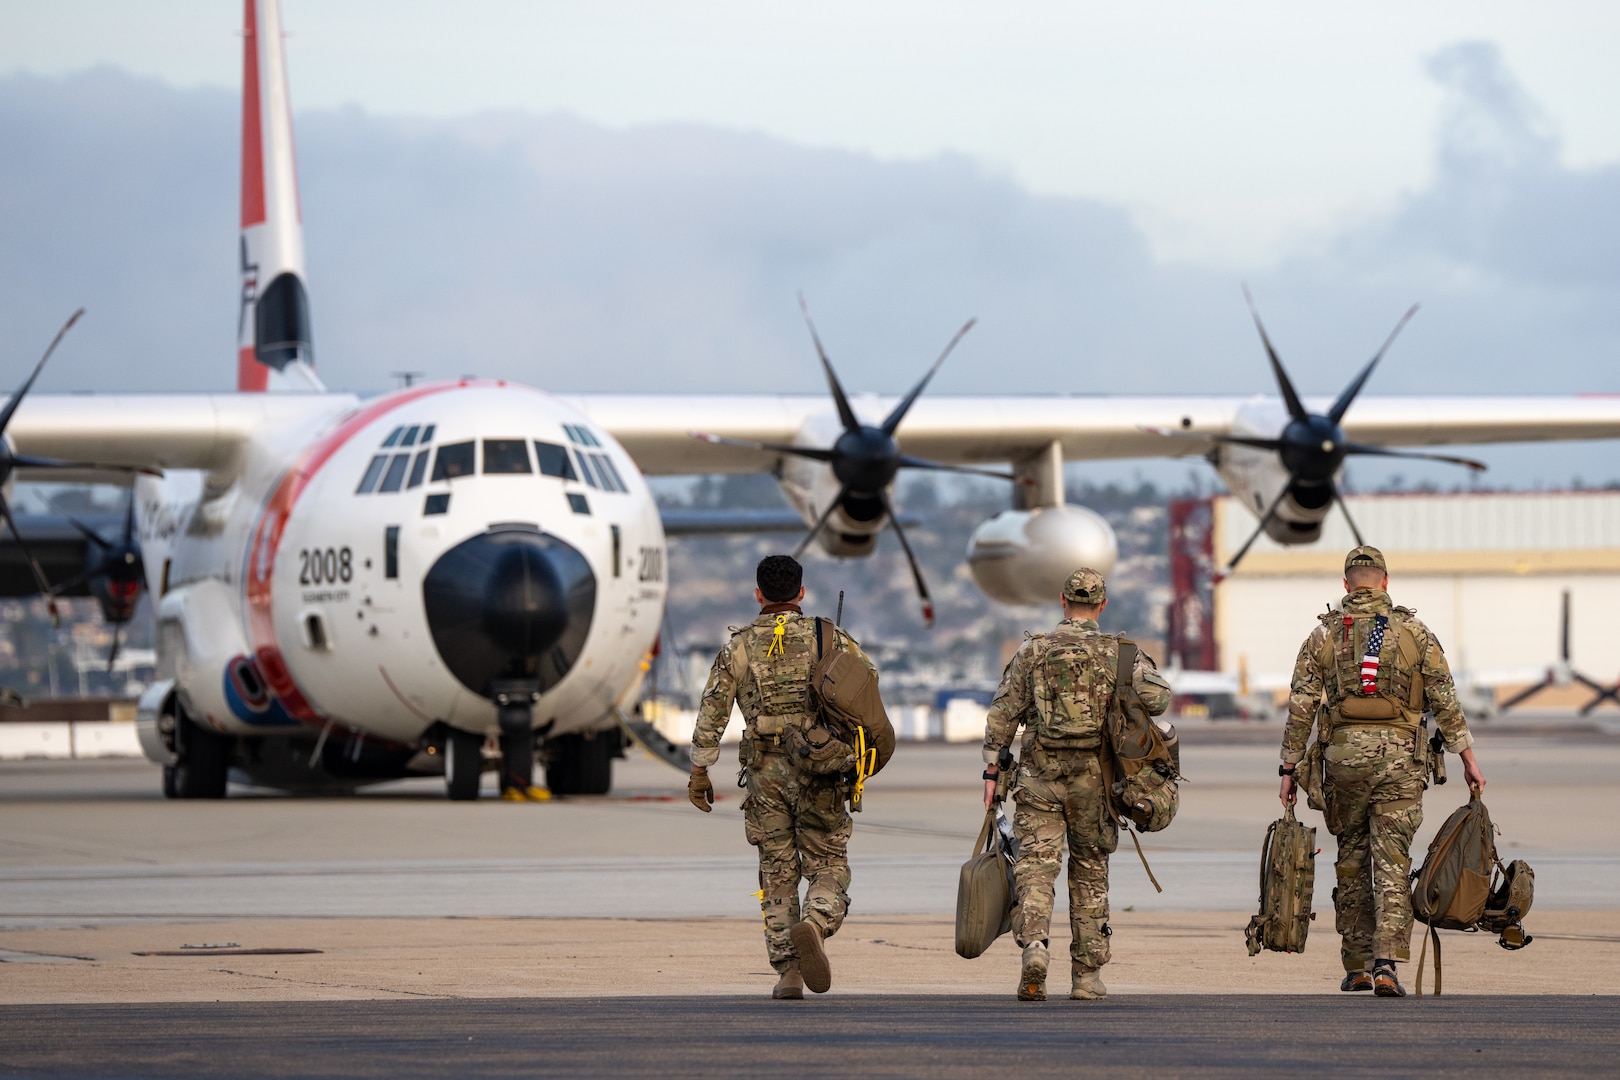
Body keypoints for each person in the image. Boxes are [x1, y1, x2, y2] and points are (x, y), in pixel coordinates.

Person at [1279, 545, 1486, 998]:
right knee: (1392, 863)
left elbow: (1301, 707)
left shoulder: (1322, 635)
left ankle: (1356, 967)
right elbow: (1445, 701)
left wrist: (1289, 767)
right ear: (1385, 582)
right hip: (1400, 764)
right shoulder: (1415, 632)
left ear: (1347, 584)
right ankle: (1387, 965)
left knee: (1352, 861)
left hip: (1343, 763)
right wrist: (1467, 759)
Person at [686, 554, 877, 1000]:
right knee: (828, 863)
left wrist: (700, 770)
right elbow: (867, 686)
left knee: (776, 871)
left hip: (764, 771)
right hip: (821, 769)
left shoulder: (737, 647)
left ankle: (788, 973)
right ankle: (816, 920)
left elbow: (712, 710)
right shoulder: (829, 637)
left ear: (758, 595)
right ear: (802, 593)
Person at [981, 567, 1172, 1001]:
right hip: (1095, 781)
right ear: (1102, 606)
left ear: (1063, 602)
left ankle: (1034, 948)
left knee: (1035, 868)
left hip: (1039, 777)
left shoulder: (1033, 650)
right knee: (1089, 873)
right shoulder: (1121, 653)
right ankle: (1086, 977)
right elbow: (1160, 699)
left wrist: (993, 773)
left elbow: (1002, 716)